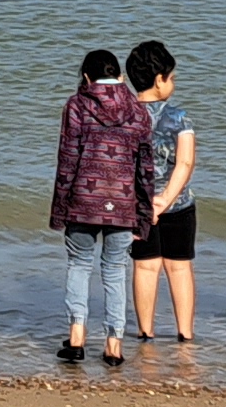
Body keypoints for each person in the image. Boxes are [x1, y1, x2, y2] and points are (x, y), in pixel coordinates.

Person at [47, 44, 157, 366]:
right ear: (120, 76)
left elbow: (67, 160)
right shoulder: (139, 111)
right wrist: (144, 216)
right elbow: (146, 169)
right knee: (115, 271)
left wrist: (59, 211)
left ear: (85, 77)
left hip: (83, 202)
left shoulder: (77, 105)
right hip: (123, 206)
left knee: (80, 264)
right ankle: (113, 345)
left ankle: (77, 338)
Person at [123, 42, 200, 350]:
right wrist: (165, 199)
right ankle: (185, 334)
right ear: (159, 79)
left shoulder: (124, 117)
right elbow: (185, 162)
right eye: (172, 77)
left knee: (145, 267)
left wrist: (147, 202)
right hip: (178, 205)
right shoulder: (179, 118)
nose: (173, 82)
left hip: (137, 207)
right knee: (179, 267)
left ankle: (145, 333)